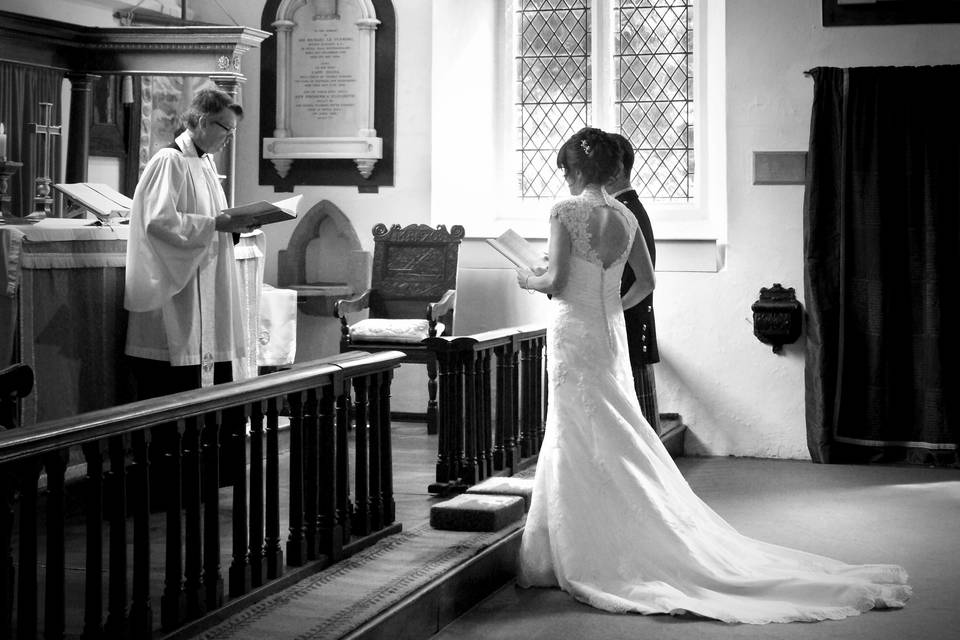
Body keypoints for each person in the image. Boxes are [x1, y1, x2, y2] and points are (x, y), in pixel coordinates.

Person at [514, 127, 910, 624]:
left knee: (573, 427)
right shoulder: (625, 215)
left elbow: (554, 280)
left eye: (566, 171)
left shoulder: (563, 211)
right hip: (605, 331)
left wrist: (528, 277)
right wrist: (610, 307)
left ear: (575, 170)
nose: (567, 179)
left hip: (573, 331)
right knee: (610, 425)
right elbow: (648, 283)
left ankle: (572, 548)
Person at [124, 88, 258, 398]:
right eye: (226, 128)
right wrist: (215, 224)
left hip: (205, 289)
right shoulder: (169, 161)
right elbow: (158, 222)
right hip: (176, 294)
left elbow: (215, 220)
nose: (230, 137)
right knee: (175, 384)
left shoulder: (206, 164)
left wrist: (236, 224)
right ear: (200, 121)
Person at [606, 132, 661, 434]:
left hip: (627, 323)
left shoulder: (624, 212)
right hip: (631, 321)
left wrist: (610, 308)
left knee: (639, 427)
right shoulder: (627, 207)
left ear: (614, 171)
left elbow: (636, 279)